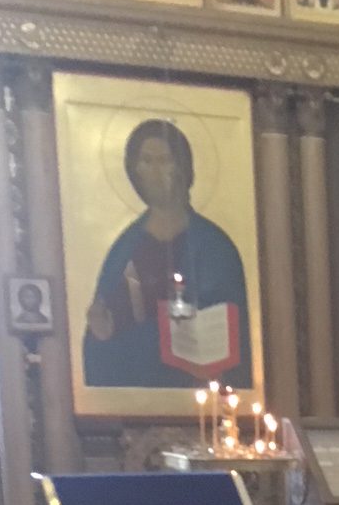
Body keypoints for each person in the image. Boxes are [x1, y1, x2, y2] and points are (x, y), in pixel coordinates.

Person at [84, 120, 252, 392]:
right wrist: (102, 331)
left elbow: (235, 325)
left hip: (201, 386)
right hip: (138, 387)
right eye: (146, 161)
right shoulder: (126, 247)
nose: (155, 171)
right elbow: (102, 335)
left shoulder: (214, 244)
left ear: (183, 167)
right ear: (134, 170)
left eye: (164, 160)